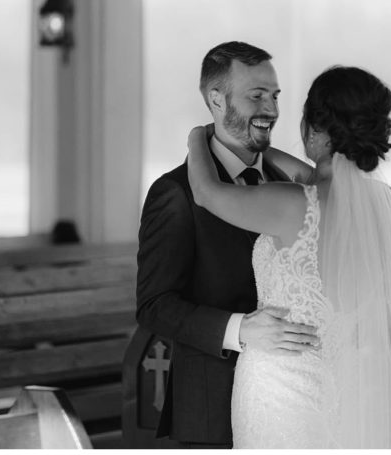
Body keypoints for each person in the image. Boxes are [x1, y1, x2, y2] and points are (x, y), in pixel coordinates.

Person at [186, 65, 391, 449]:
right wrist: (259, 148)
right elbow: (318, 180)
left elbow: (206, 192)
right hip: (348, 385)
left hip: (281, 390)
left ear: (315, 130)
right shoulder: (381, 202)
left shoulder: (289, 204)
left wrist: (201, 136)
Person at [136, 41, 320, 448]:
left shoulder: (294, 184)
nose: (270, 109)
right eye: (256, 95)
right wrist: (240, 330)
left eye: (274, 96)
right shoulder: (176, 192)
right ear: (216, 100)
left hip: (297, 400)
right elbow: (153, 306)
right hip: (212, 405)